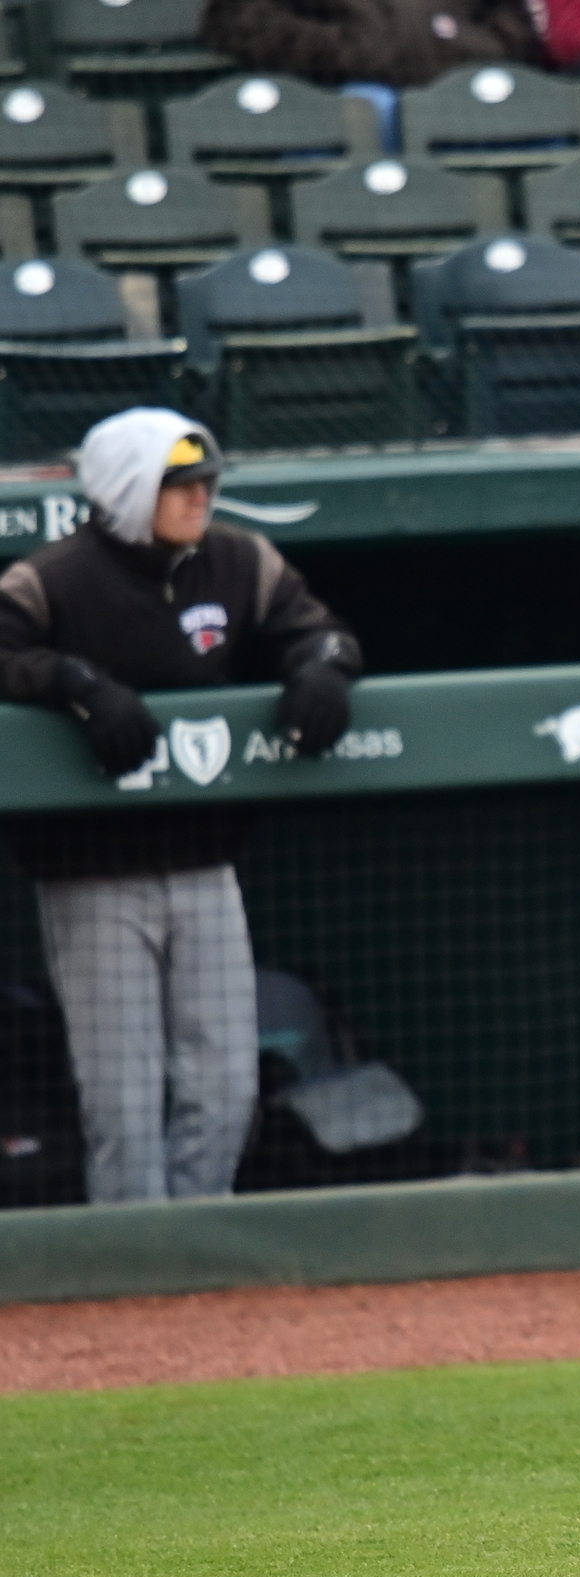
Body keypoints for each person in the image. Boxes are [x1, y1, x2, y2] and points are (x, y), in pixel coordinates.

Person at [0, 409, 361, 1204]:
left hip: (206, 865)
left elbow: (319, 630)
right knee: (124, 1101)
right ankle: (135, 1273)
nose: (201, 496)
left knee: (227, 1086)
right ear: (130, 490)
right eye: (180, 483)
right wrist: (75, 684)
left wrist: (323, 667)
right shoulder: (55, 576)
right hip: (94, 875)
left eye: (207, 480)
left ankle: (197, 1258)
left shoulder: (237, 559)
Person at [200, 0, 541, 91]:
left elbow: (516, 22)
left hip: (457, 93)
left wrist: (457, 45)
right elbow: (234, 19)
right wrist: (340, 50)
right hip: (331, 99)